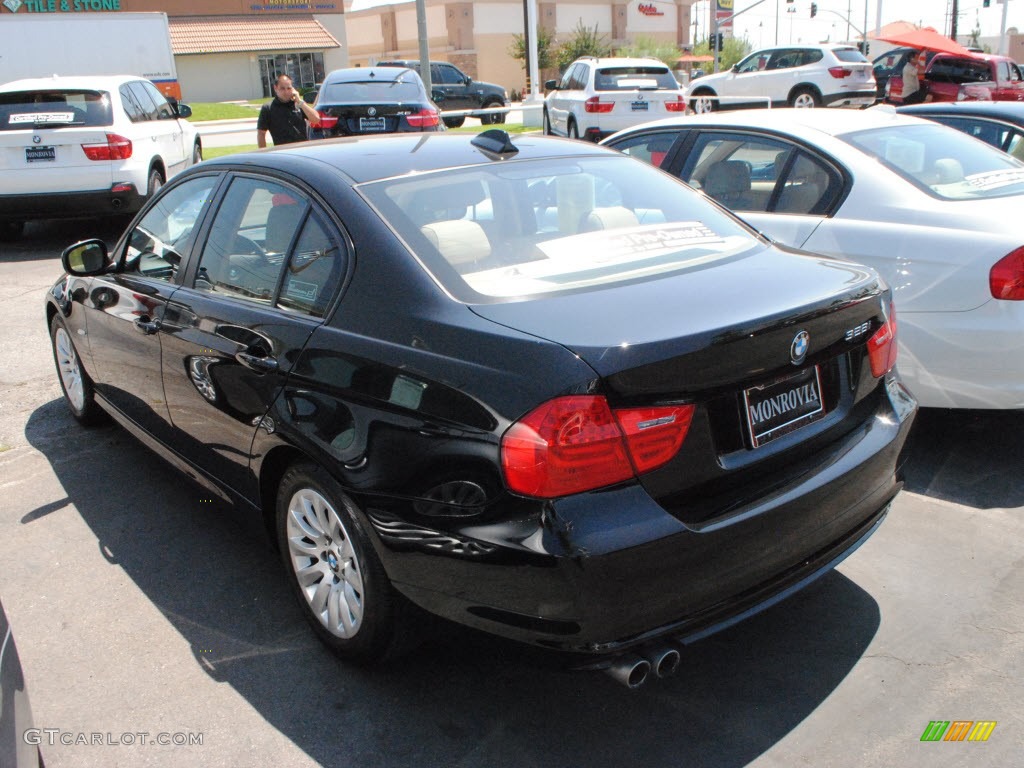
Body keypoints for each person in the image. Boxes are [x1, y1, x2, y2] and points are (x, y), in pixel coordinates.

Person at [256, 74, 320, 148]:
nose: (286, 92)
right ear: (275, 88)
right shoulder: (268, 108)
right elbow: (261, 133)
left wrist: (300, 102)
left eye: (289, 88)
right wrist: (264, 154)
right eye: (282, 88)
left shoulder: (298, 104)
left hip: (302, 150)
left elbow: (316, 119)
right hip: (283, 152)